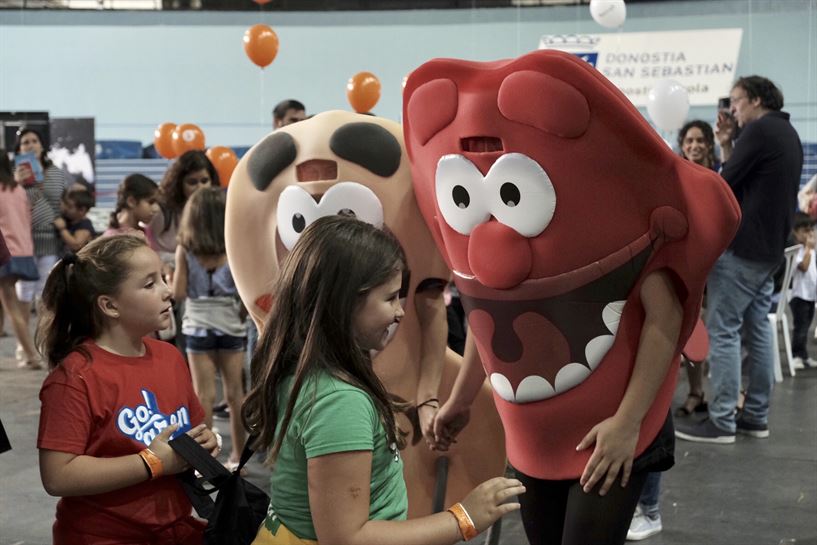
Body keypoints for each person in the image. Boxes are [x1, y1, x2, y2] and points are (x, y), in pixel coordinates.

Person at [242, 215, 523, 545]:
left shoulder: (307, 373)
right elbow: (346, 538)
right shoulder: (338, 402)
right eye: (390, 298)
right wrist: (462, 518)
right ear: (346, 303)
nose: (399, 312)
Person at [36, 234, 219, 544]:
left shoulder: (170, 357)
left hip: (174, 528)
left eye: (163, 278)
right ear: (110, 305)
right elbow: (57, 475)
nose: (167, 291)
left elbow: (192, 429)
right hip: (102, 536)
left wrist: (203, 444)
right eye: (149, 284)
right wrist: (151, 462)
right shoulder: (76, 378)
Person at [676, 76, 804, 443]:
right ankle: (756, 416)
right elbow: (746, 180)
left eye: (736, 100)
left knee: (724, 330)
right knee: (757, 330)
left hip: (743, 251)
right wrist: (727, 143)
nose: (732, 108)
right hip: (768, 252)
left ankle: (721, 421)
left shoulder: (759, 131)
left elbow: (724, 183)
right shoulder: (786, 132)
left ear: (757, 100)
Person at [173, 187, 247, 470]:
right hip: (230, 323)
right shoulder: (234, 248)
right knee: (235, 394)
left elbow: (179, 292)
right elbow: (243, 291)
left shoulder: (185, 250)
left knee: (203, 395)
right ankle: (238, 457)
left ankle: (203, 461)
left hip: (198, 325)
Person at [12, 128, 70, 366]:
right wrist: (17, 183)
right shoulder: (13, 175)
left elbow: (57, 203)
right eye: (25, 142)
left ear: (42, 145)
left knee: (45, 295)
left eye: (34, 140)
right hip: (22, 241)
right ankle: (24, 346)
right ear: (19, 149)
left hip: (50, 240)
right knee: (23, 295)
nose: (30, 144)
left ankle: (46, 343)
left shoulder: (55, 172)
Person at [674, 119, 719, 418]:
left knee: (699, 332)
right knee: (684, 332)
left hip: (712, 266)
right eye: (689, 140)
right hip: (683, 262)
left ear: (709, 145)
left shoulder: (719, 178)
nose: (694, 145)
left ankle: (697, 392)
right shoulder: (676, 175)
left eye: (700, 140)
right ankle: (694, 392)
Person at [0, 149, 41, 369]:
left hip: (6, 252)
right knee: (9, 303)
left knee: (11, 306)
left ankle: (31, 355)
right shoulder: (18, 190)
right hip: (23, 251)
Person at [789, 212, 816, 369]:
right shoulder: (798, 250)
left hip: (810, 295)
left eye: (811, 230)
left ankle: (804, 355)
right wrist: (809, 249)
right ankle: (796, 355)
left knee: (806, 327)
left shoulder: (810, 250)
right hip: (800, 295)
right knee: (800, 327)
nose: (809, 234)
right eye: (805, 231)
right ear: (795, 232)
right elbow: (804, 267)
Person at [103, 174, 160, 239]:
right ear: (131, 201)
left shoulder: (146, 233)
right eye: (151, 202)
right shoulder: (112, 238)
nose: (156, 209)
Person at [55, 188, 96, 253]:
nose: (66, 208)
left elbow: (76, 245)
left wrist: (62, 229)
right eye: (66, 204)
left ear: (82, 210)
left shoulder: (84, 225)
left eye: (70, 207)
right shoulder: (68, 220)